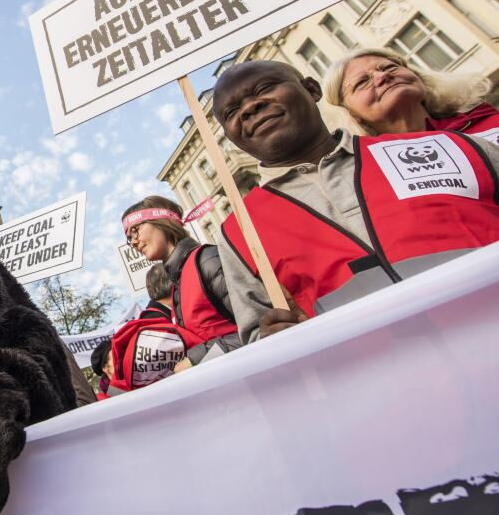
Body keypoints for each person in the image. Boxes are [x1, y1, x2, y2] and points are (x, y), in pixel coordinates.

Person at [212, 60, 499, 342]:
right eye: (232, 111)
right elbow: (259, 341)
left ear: (311, 89)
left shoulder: (444, 147)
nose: (249, 108)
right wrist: (277, 339)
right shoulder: (238, 234)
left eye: (264, 88)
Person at [122, 196, 240, 367]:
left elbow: (258, 327)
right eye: (129, 238)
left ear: (161, 221)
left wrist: (195, 359)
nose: (133, 242)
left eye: (136, 230)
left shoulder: (206, 260)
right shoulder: (177, 283)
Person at [322, 47, 499, 144]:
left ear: (418, 77)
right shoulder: (375, 172)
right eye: (362, 82)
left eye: (389, 67)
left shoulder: (485, 119)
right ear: (350, 113)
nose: (383, 76)